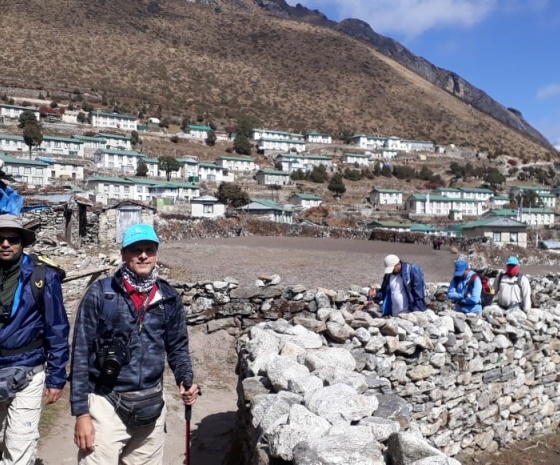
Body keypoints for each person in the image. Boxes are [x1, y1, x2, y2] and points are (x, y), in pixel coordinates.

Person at [70, 224, 199, 464]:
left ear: (156, 254)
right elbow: (80, 354)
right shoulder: (100, 294)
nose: (143, 255)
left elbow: (178, 346)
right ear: (123, 254)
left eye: (149, 249)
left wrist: (185, 377)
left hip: (152, 405)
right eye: (135, 249)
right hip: (104, 403)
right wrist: (81, 413)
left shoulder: (169, 297)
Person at [0, 214, 69, 464]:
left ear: (21, 242)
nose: (6, 244)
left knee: (19, 447)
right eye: (0, 239)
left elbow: (57, 329)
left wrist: (57, 378)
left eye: (12, 239)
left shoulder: (43, 277)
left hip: (28, 372)